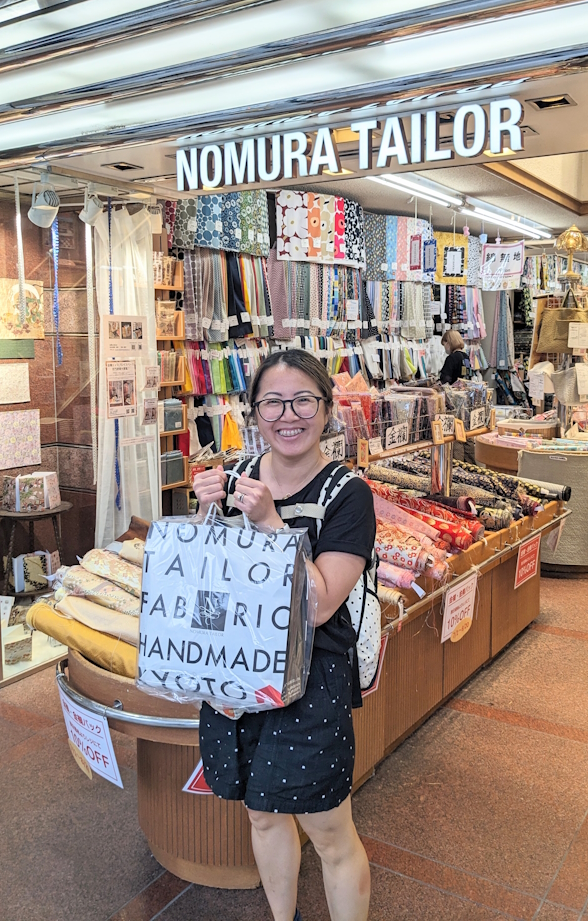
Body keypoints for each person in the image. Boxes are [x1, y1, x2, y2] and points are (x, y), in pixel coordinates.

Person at [192, 350, 374, 921]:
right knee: (262, 813)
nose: (287, 414)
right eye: (272, 401)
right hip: (234, 669)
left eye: (303, 401)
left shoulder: (348, 493)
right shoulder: (235, 479)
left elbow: (319, 606)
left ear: (326, 410)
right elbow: (207, 582)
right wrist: (204, 518)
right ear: (254, 411)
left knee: (328, 828)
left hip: (311, 678)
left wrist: (271, 524)